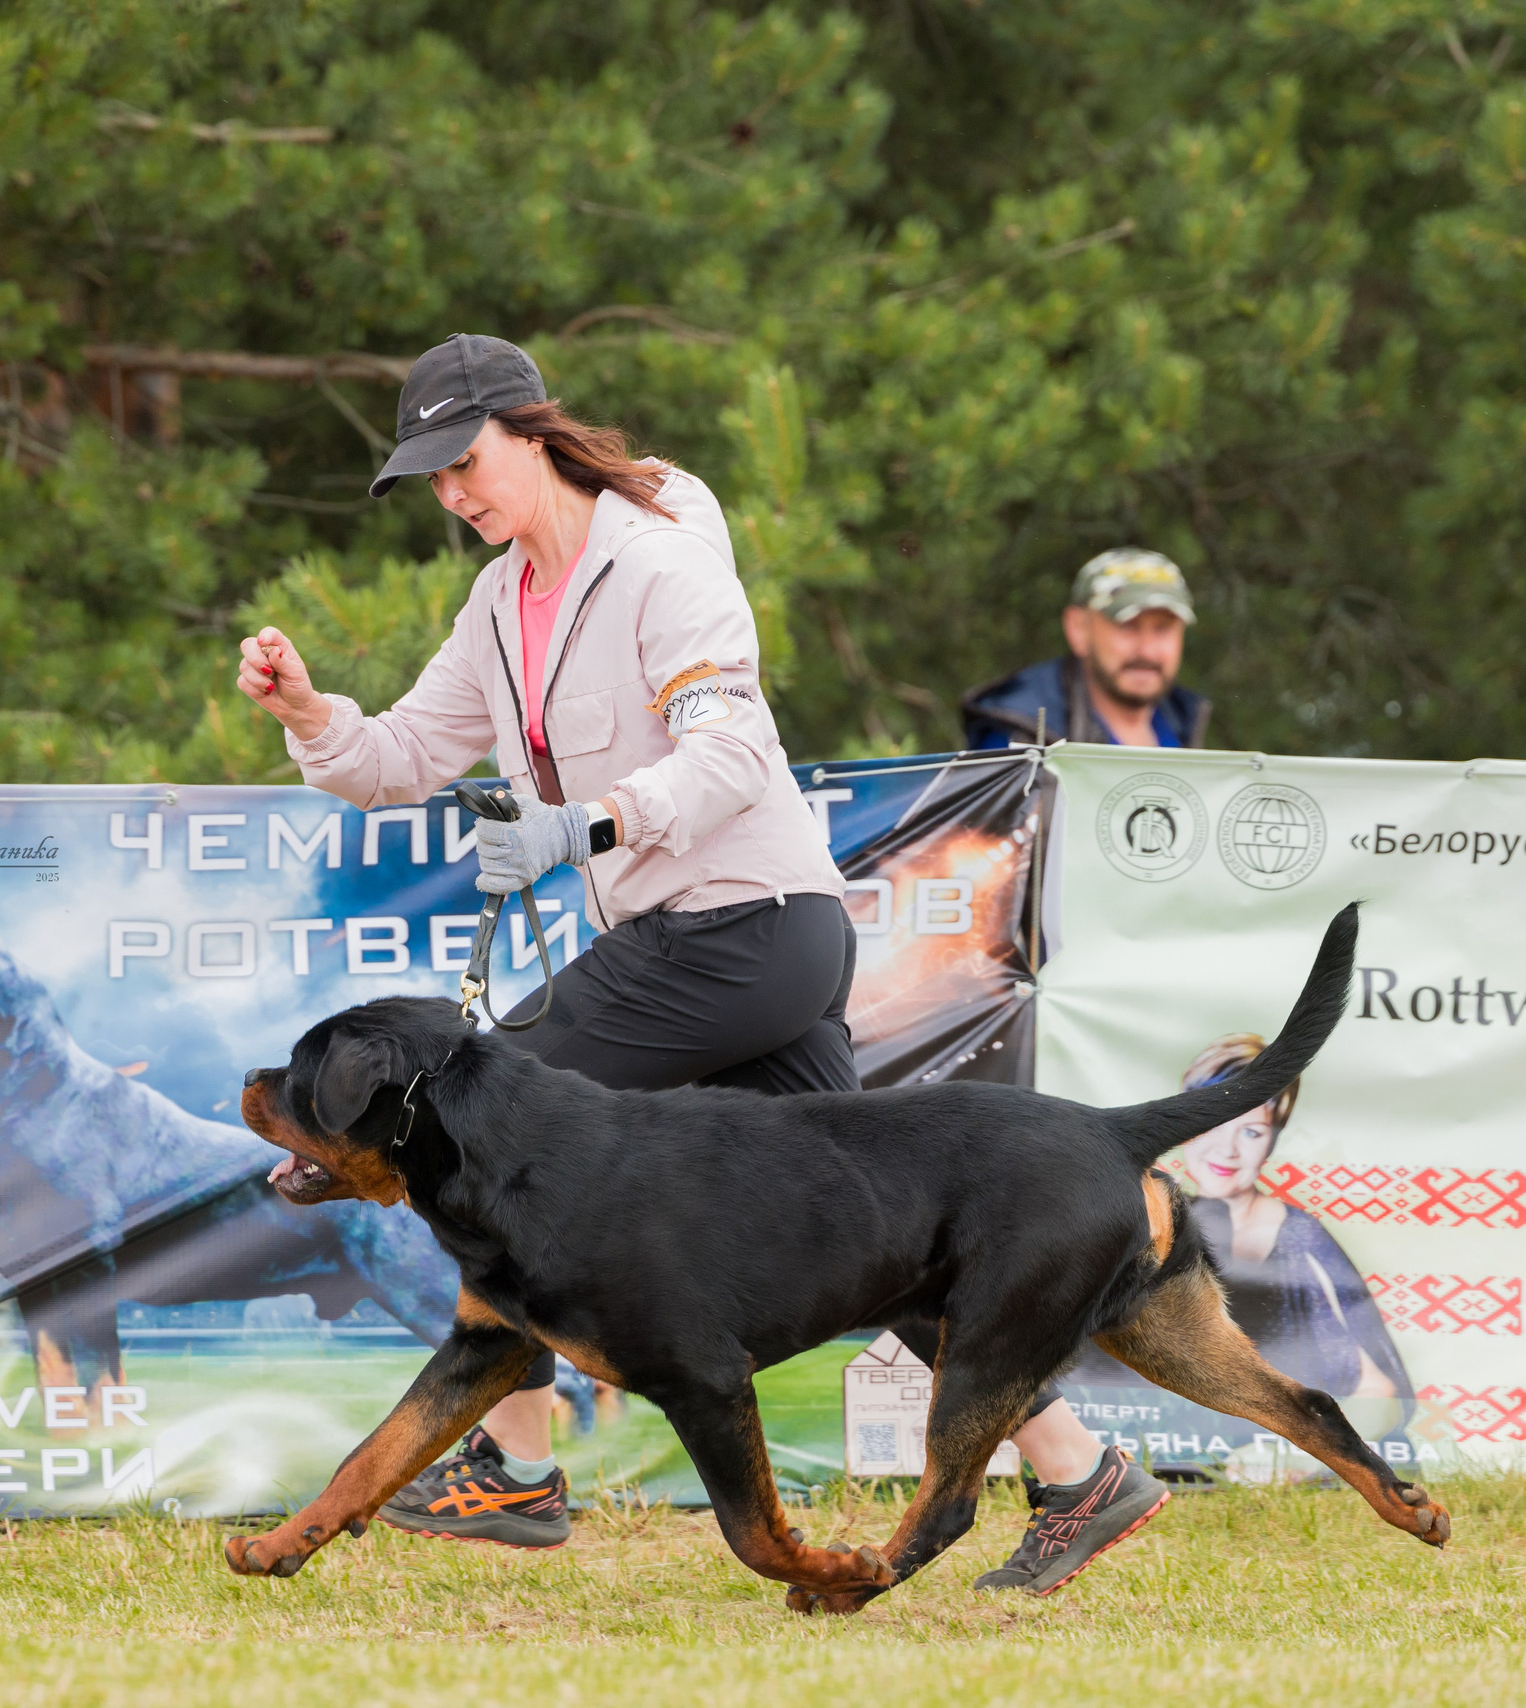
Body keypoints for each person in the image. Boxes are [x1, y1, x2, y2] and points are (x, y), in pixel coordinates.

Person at [238, 334, 1145, 1586]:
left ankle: (512, 1466)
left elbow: (724, 760)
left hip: (746, 928)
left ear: (532, 430)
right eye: (428, 476)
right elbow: (396, 757)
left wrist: (579, 824)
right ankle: (1079, 1472)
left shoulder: (663, 565)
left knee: (484, 1116)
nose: (451, 492)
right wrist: (307, 714)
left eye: (465, 459)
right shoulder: (500, 604)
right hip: (710, 942)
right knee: (868, 1225)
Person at [1173, 1034, 1411, 1408]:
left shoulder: (1298, 1236)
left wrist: (1300, 1460)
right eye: (1215, 1122)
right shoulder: (1154, 1220)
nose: (1227, 1148)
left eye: (1251, 1132)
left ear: (1273, 1141)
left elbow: (1378, 1390)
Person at [960, 548, 1211, 750]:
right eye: (1128, 626)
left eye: (1163, 629)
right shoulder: (1022, 734)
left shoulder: (1182, 721)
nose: (1147, 651)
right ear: (1079, 629)